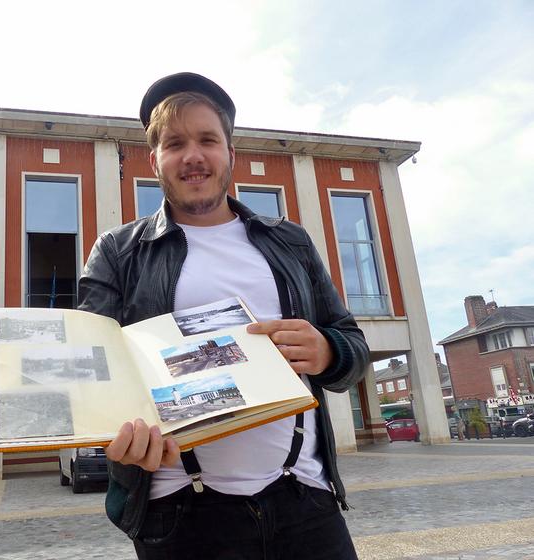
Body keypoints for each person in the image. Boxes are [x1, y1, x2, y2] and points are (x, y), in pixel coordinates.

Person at [78, 72, 369, 559]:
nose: (193, 155)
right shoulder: (117, 250)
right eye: (175, 143)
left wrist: (327, 350)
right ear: (155, 162)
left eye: (207, 139)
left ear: (230, 153)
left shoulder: (290, 241)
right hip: (180, 513)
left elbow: (353, 346)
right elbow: (92, 366)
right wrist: (115, 433)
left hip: (307, 503)